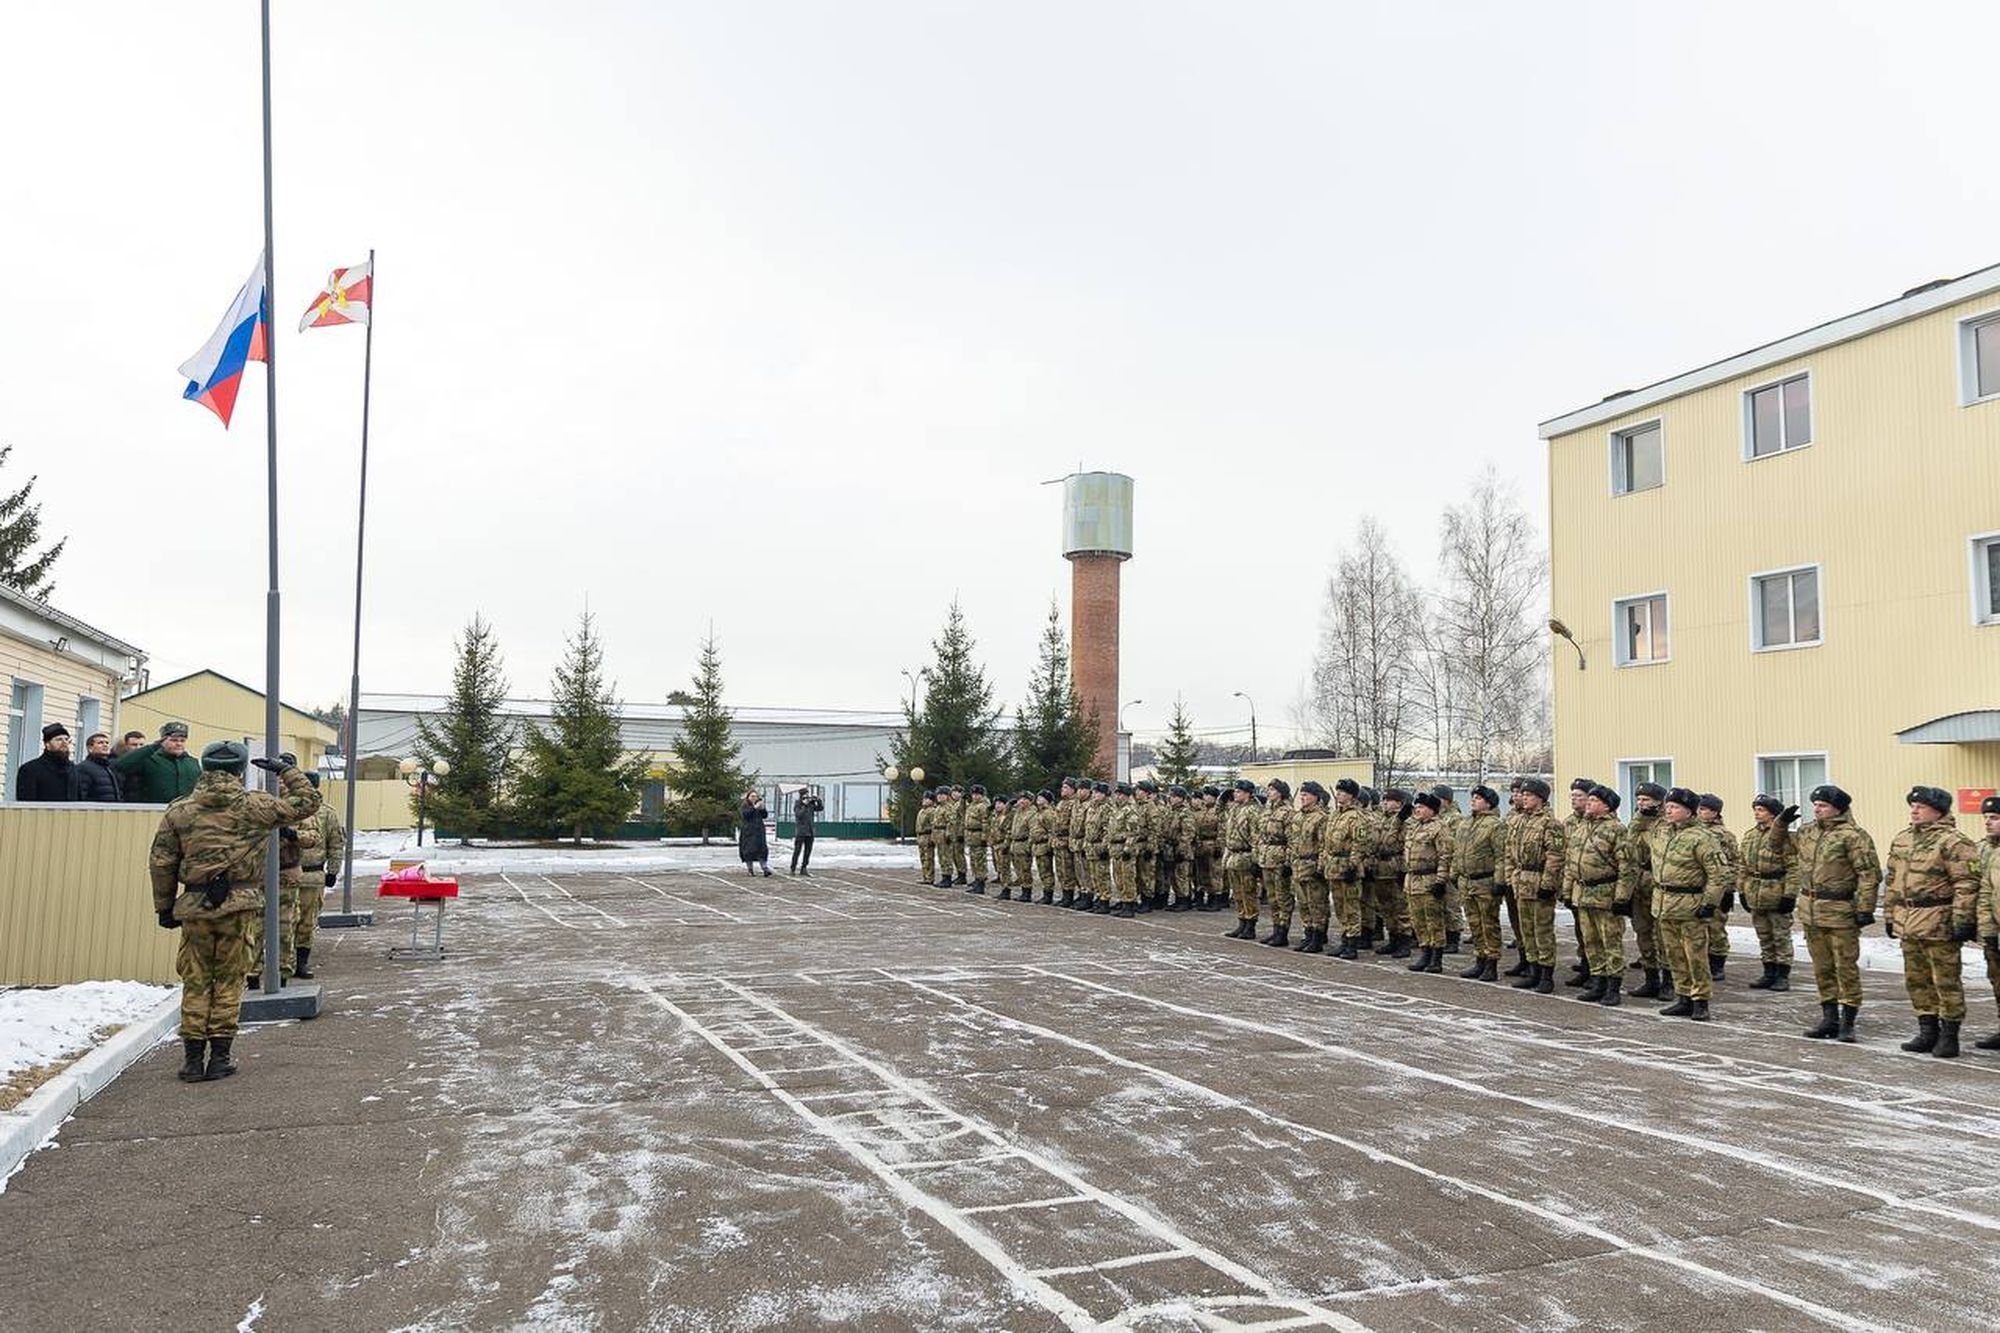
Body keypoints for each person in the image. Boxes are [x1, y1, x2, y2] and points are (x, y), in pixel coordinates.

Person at [149, 744, 320, 1082]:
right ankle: (220, 1058)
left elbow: (162, 863)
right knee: (229, 980)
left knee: (196, 981)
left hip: (196, 907)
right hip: (240, 906)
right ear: (241, 771)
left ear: (203, 767)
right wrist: (284, 770)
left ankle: (192, 1060)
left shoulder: (180, 811)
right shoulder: (257, 806)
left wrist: (164, 907)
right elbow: (308, 802)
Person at [1883, 786, 1981, 1058]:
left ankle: (1949, 1034)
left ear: (1938, 810)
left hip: (1939, 921)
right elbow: (1892, 881)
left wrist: (1962, 920)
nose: (1914, 810)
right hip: (1909, 921)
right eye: (1912, 806)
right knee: (1917, 979)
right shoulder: (1902, 839)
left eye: (1921, 806)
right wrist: (1891, 916)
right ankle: (1927, 1030)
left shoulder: (1954, 842)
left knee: (1946, 981)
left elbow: (1966, 884)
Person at [1794, 784, 1880, 1042]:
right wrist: (1779, 824)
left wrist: (1865, 908)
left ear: (1838, 809)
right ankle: (1828, 1018)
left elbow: (1868, 874)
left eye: (1823, 805)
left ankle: (1848, 1022)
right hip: (1811, 910)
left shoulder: (1853, 836)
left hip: (1840, 910)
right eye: (1816, 805)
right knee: (1822, 967)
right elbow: (1779, 847)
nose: (1817, 809)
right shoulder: (1808, 832)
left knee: (1845, 967)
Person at [1651, 787, 1733, 1021]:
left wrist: (1709, 904)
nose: (1669, 811)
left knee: (1695, 955)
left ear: (1689, 811)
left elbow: (1718, 874)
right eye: (1667, 807)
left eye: (1675, 807)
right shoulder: (1663, 832)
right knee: (1674, 954)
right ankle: (1683, 996)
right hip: (1665, 903)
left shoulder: (1702, 837)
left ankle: (1700, 1000)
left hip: (1690, 904)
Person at [1565, 784, 1635, 1005]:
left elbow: (1627, 867)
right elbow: (1570, 862)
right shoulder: (1581, 827)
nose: (1588, 803)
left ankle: (1613, 986)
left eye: (1594, 800)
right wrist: (1567, 891)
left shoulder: (1616, 830)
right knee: (1591, 941)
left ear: (1606, 806)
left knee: (1610, 941)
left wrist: (1622, 898)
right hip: (1583, 892)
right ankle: (1598, 982)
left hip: (1606, 894)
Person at [1508, 779, 1565, 994]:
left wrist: (1548, 884)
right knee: (1527, 930)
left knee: (1542, 930)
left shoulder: (1551, 823)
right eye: (1522, 794)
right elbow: (1510, 852)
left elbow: (1555, 856)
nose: (1523, 797)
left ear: (1540, 799)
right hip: (1522, 880)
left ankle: (1546, 975)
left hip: (1539, 880)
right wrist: (1511, 877)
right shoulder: (1519, 821)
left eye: (1529, 795)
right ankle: (1532, 971)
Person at [1739, 794, 1801, 991]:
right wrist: (1741, 890)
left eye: (1762, 810)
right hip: (1755, 890)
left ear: (1773, 813)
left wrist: (1789, 895)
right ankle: (1768, 972)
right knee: (1764, 935)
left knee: (1780, 935)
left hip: (1776, 890)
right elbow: (1743, 865)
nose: (1757, 813)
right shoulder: (1750, 835)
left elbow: (1793, 868)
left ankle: (1783, 975)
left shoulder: (1784, 837)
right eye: (1755, 809)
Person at [292, 772, 344, 980]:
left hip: (312, 873)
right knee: (287, 920)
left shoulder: (326, 813)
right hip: (286, 873)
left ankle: (301, 962)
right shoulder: (289, 809)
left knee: (306, 921)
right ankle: (283, 961)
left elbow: (335, 843)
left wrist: (333, 870)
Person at [1453, 785, 1506, 982]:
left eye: (1478, 798)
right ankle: (1479, 959)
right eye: (1473, 797)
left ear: (1489, 803)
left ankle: (1491, 963)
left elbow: (1501, 856)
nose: (1473, 801)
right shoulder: (1466, 824)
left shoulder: (1495, 825)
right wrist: (1454, 872)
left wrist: (1500, 881)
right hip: (1467, 881)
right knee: (1474, 923)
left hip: (1485, 881)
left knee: (1488, 924)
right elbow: (1457, 851)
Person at [1402, 790, 1453, 973]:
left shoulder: (1439, 828)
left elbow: (1445, 856)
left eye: (1421, 807)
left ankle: (1436, 957)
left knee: (1433, 920)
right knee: (1418, 920)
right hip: (1413, 879)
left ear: (1432, 810)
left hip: (1429, 879)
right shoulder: (1415, 826)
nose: (1417, 810)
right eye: (1416, 806)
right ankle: (1425, 952)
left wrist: (1440, 881)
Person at [1323, 778, 1369, 959]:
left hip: (1348, 866)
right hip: (1334, 866)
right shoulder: (1335, 815)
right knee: (1340, 906)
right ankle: (1345, 939)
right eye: (1338, 791)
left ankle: (1352, 943)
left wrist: (1353, 865)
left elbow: (1360, 843)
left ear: (1351, 795)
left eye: (1342, 792)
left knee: (1351, 907)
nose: (1338, 794)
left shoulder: (1357, 817)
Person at [1696, 794, 1740, 983]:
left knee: (1716, 928)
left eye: (1704, 809)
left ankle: (1717, 964)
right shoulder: (1694, 832)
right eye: (1698, 808)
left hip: (1717, 888)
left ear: (1715, 812)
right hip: (1698, 887)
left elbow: (1732, 863)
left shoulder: (1724, 835)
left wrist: (1728, 890)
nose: (1700, 812)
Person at [112, 721, 202, 803]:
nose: (179, 744)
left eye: (182, 741)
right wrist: (154, 746)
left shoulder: (192, 763)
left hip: (186, 815)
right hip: (155, 813)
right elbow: (120, 766)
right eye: (174, 740)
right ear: (162, 741)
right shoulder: (149, 760)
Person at [1289, 781, 1331, 954]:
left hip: (1312, 864)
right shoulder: (1298, 817)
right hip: (1298, 865)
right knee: (1304, 904)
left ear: (1315, 797)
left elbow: (1324, 845)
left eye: (1306, 794)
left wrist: (1321, 868)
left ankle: (1318, 936)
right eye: (1302, 794)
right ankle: (1308, 933)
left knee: (1317, 904)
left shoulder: (1321, 818)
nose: (1303, 797)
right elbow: (1292, 842)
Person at [1255, 779, 1296, 947]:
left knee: (1282, 897)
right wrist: (1257, 858)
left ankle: (1283, 930)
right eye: (1268, 790)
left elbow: (1292, 840)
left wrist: (1288, 862)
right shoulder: (1266, 811)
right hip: (1267, 858)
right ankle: (1275, 929)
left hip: (1279, 859)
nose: (1268, 793)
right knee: (1272, 898)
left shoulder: (1287, 812)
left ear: (1280, 792)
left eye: (1272, 790)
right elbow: (1259, 836)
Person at [1974, 795, 2000, 1050]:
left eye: (1994, 818)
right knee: (1996, 979)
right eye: (1986, 818)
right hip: (1994, 929)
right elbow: (1983, 892)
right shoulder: (1984, 849)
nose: (1988, 823)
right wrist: (1987, 930)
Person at [1222, 779, 1260, 939]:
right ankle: (1242, 921)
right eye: (1235, 791)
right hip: (1233, 854)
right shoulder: (1234, 809)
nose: (1235, 794)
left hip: (1246, 855)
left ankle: (1250, 924)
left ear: (1248, 794)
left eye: (1239, 791)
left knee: (1248, 892)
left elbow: (1256, 837)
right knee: (1237, 892)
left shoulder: (1253, 811)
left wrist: (1256, 860)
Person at [15, 722, 80, 801]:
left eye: (66, 739)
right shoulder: (30, 769)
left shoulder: (73, 769)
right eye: (59, 739)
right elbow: (26, 803)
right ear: (47, 744)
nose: (64, 743)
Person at [962, 784, 992, 894]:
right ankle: (976, 880)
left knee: (980, 861)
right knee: (974, 860)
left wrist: (984, 837)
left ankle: (980, 883)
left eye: (977, 794)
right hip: (972, 836)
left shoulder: (983, 806)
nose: (975, 796)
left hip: (978, 835)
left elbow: (986, 822)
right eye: (973, 794)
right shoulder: (972, 805)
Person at [77, 732, 123, 802]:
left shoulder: (109, 768)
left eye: (107, 743)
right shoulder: (83, 768)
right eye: (100, 743)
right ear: (90, 748)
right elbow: (82, 795)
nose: (105, 745)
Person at [790, 788, 823, 876]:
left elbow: (820, 808)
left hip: (810, 831)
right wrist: (804, 805)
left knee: (808, 851)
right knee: (797, 850)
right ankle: (793, 868)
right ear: (801, 796)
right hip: (801, 831)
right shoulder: (798, 804)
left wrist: (818, 800)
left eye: (808, 795)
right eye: (805, 795)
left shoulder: (811, 804)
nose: (807, 797)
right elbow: (799, 815)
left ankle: (804, 868)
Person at [739, 791, 772, 876]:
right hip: (748, 831)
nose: (754, 798)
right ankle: (750, 869)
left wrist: (763, 809)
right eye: (752, 796)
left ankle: (765, 868)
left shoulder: (759, 805)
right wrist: (754, 808)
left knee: (762, 850)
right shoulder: (745, 805)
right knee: (749, 851)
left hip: (759, 831)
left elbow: (765, 815)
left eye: (756, 796)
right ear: (748, 797)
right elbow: (745, 815)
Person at [915, 790, 938, 885]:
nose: (925, 800)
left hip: (927, 836)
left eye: (928, 799)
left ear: (932, 801)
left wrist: (933, 838)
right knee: (923, 858)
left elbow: (934, 826)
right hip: (921, 836)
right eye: (924, 798)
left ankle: (929, 877)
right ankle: (925, 876)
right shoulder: (922, 811)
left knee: (928, 858)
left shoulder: (932, 811)